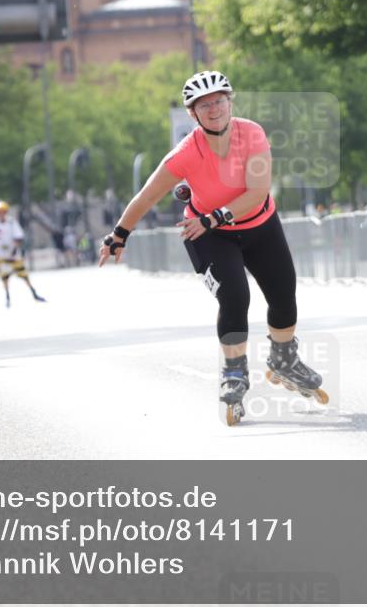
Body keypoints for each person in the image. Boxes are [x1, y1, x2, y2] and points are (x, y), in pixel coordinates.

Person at [98, 70, 325, 425]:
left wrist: (214, 216)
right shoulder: (186, 153)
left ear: (230, 102)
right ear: (193, 114)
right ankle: (234, 372)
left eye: (219, 101)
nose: (214, 108)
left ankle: (284, 358)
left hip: (259, 226)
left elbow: (257, 192)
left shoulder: (252, 134)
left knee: (284, 296)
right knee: (235, 297)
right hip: (208, 235)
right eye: (204, 105)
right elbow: (148, 195)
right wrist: (119, 235)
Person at [0, 200, 47, 306]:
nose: (1, 214)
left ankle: (34, 293)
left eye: (3, 211)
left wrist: (15, 248)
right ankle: (7, 297)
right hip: (0, 256)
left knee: (24, 275)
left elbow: (18, 236)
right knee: (4, 277)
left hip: (13, 255)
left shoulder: (11, 222)